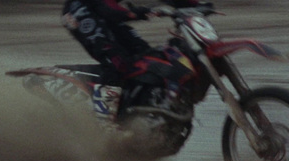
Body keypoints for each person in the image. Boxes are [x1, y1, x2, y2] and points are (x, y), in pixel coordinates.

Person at [61, 0, 210, 124]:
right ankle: (104, 117)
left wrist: (194, 5)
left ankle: (136, 105)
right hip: (79, 11)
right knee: (116, 61)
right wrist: (131, 14)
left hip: (102, 10)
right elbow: (108, 9)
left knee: (142, 52)